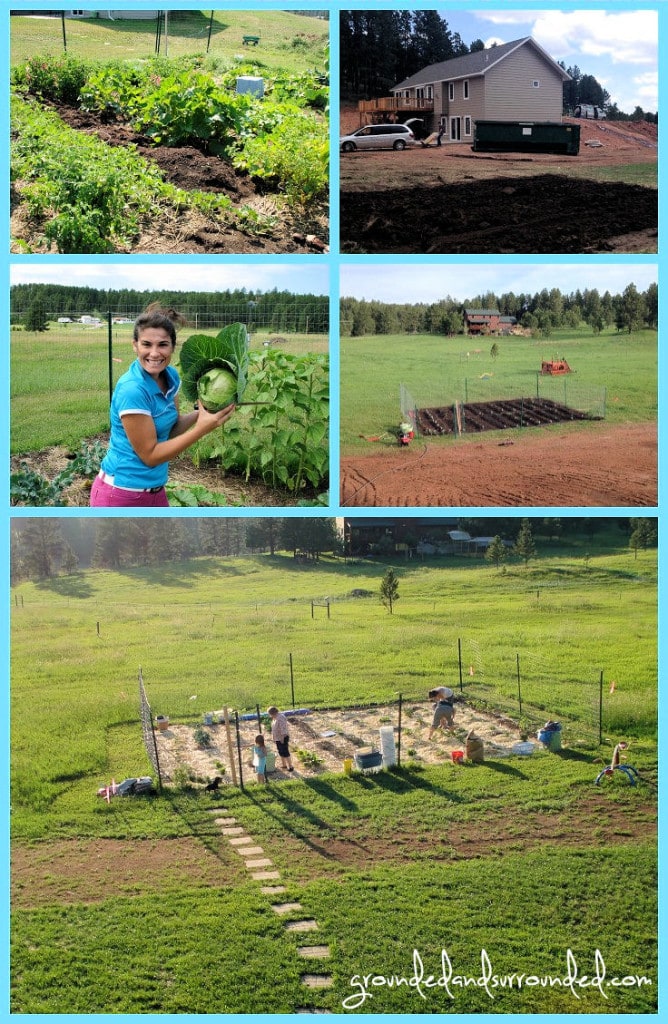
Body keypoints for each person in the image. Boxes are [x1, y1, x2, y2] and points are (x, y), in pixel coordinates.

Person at [90, 304, 235, 507]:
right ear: (135, 345)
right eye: (146, 344)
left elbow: (171, 429)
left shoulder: (171, 377)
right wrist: (201, 429)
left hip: (155, 491)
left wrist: (202, 413)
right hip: (121, 494)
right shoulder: (132, 390)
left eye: (163, 345)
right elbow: (150, 455)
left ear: (173, 347)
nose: (155, 353)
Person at [267, 706, 294, 771]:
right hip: (278, 738)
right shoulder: (275, 718)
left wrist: (282, 738)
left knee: (285, 752)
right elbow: (274, 729)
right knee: (280, 751)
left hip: (282, 738)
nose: (270, 716)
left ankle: (290, 767)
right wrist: (274, 738)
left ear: (273, 713)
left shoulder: (281, 717)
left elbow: (283, 728)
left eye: (270, 714)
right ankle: (284, 765)